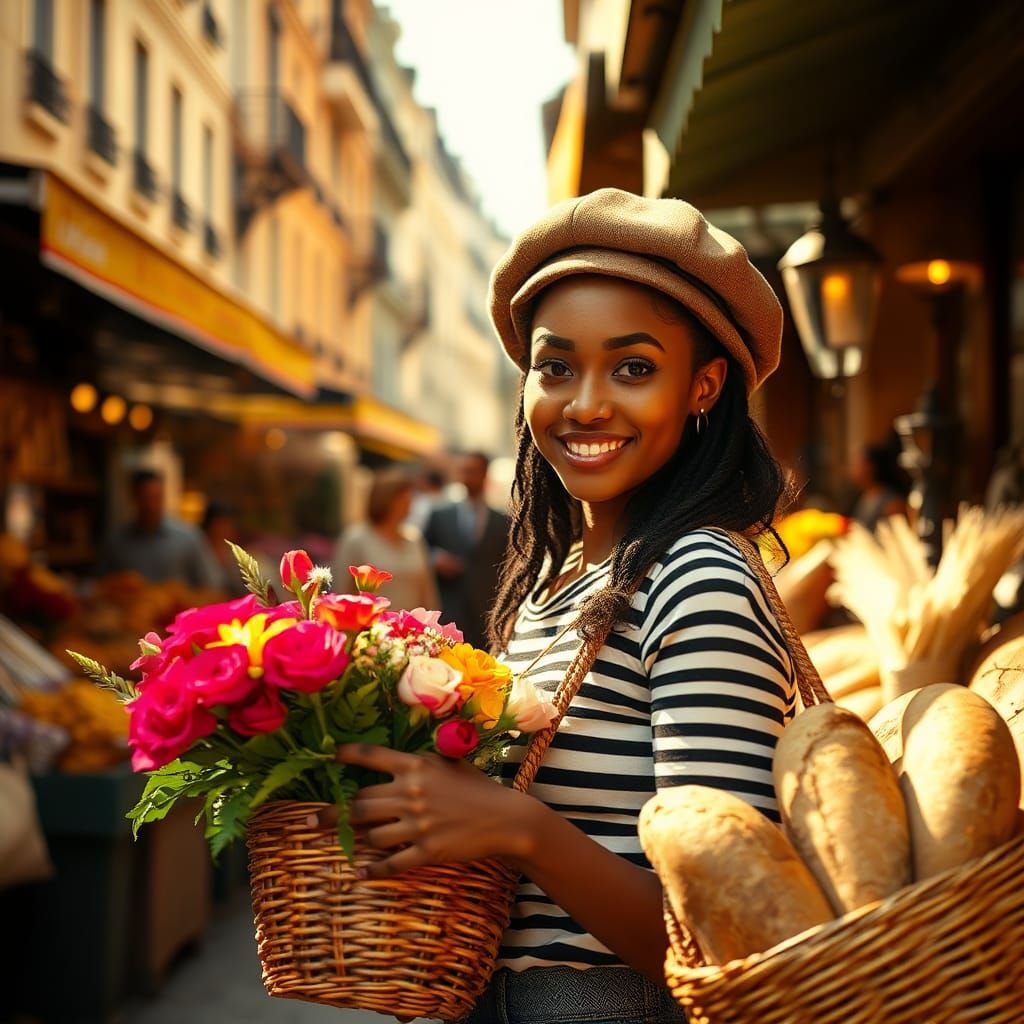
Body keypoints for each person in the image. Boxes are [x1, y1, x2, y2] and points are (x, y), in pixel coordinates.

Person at [317, 189, 797, 1023]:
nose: (585, 404)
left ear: (704, 386)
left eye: (634, 367)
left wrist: (518, 828)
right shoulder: (556, 579)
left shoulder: (699, 574)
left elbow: (732, 941)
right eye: (557, 365)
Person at [422, 451, 510, 649]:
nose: (467, 476)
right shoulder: (439, 514)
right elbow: (421, 550)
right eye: (463, 471)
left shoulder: (502, 521)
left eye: (473, 471)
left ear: (485, 474)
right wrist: (435, 559)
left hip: (486, 613)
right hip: (448, 609)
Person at [333, 467, 439, 612]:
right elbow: (342, 590)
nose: (410, 501)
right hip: (370, 629)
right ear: (387, 499)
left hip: (410, 630)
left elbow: (427, 592)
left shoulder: (414, 538)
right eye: (403, 497)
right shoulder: (356, 539)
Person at [98, 469, 220, 589]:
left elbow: (212, 584)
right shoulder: (116, 542)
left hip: (181, 607)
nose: (151, 506)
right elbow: (98, 586)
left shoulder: (188, 537)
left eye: (156, 498)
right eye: (145, 499)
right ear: (133, 498)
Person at [849, 442, 909, 532]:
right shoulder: (864, 495)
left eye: (857, 463)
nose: (852, 468)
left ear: (871, 467)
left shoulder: (893, 503)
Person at [198, 500, 248, 596]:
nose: (224, 528)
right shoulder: (199, 552)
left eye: (228, 523)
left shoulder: (237, 555)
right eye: (220, 523)